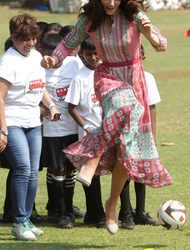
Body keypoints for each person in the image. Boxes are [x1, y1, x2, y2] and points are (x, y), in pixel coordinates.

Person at [41, 0, 173, 234]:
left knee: (126, 148)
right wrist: (53, 60)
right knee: (126, 105)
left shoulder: (135, 15)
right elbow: (67, 45)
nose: (110, 2)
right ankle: (91, 160)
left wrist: (150, 33)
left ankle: (111, 205)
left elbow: (161, 45)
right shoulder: (90, 18)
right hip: (107, 76)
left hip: (134, 77)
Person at [0, 13, 59, 241]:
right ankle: (18, 221)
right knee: (23, 168)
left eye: (33, 38)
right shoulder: (8, 62)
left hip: (34, 122)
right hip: (13, 122)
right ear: (14, 37)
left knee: (33, 171)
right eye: (25, 39)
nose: (31, 43)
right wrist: (3, 130)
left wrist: (51, 105)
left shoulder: (36, 56)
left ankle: (26, 220)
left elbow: (39, 86)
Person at [40, 33, 82, 228]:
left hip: (73, 127)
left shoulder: (73, 63)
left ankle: (68, 209)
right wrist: (40, 108)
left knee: (71, 170)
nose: (52, 59)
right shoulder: (39, 70)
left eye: (55, 54)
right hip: (52, 130)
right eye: (47, 54)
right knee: (57, 170)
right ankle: (61, 212)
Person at [119, 45, 161, 229]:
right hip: (124, 130)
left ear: (143, 57)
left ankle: (140, 212)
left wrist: (153, 134)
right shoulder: (119, 76)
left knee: (141, 171)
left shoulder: (148, 78)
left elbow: (151, 107)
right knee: (124, 172)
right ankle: (126, 213)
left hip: (143, 131)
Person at [65, 39, 106, 228]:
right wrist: (85, 127)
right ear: (82, 54)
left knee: (116, 168)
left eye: (96, 53)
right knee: (91, 174)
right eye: (89, 54)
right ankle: (95, 214)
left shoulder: (107, 73)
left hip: (108, 131)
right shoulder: (80, 78)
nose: (93, 57)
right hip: (89, 134)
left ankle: (124, 213)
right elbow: (71, 107)